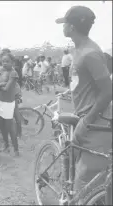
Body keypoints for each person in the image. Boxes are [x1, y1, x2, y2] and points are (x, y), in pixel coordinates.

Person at [56, 6, 112, 202]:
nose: (63, 26)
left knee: (86, 188)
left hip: (96, 123)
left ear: (71, 27)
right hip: (86, 117)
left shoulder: (90, 53)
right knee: (77, 170)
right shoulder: (80, 50)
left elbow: (107, 91)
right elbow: (85, 82)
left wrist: (86, 121)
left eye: (65, 23)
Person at [0, 53, 20, 156]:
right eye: (3, 61)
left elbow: (7, 88)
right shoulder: (1, 70)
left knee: (10, 126)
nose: (4, 63)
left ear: (12, 62)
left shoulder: (13, 73)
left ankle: (16, 149)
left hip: (8, 102)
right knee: (1, 125)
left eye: (7, 61)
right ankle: (6, 145)